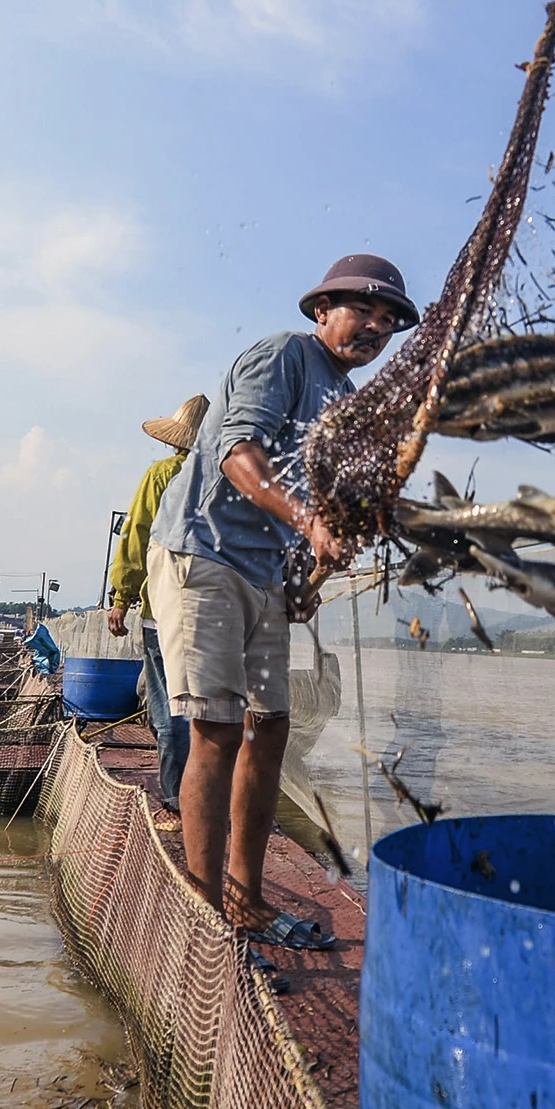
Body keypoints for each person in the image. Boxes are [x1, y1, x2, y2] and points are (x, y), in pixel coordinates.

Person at [146, 254, 418, 948]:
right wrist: (310, 522)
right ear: (322, 309)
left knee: (269, 728)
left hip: (266, 571)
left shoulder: (346, 402)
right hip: (204, 555)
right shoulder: (283, 358)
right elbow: (239, 451)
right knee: (215, 727)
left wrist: (313, 554)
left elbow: (327, 496)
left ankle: (246, 898)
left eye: (389, 322)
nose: (376, 327)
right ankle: (206, 912)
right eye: (364, 310)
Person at [108, 393, 210, 813]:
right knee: (205, 707)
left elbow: (136, 538)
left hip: (162, 609)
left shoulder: (160, 476)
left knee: (169, 709)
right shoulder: (225, 479)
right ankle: (206, 795)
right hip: (213, 610)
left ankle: (174, 796)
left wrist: (121, 598)